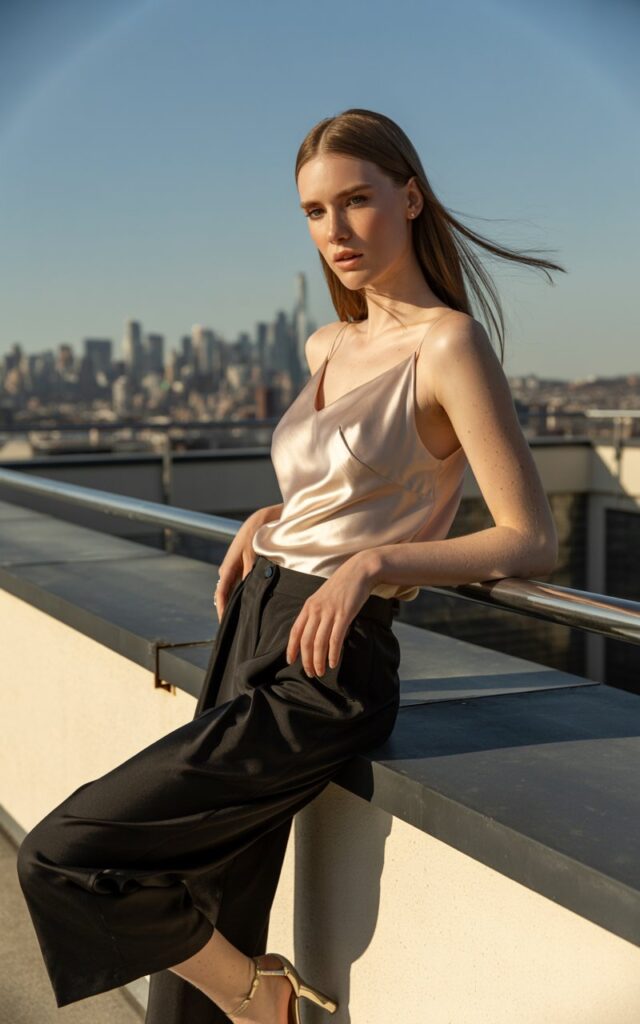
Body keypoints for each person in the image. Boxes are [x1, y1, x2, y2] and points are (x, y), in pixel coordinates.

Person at [16, 107, 562, 1024]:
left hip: (330, 660)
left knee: (65, 849)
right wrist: (273, 520)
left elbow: (529, 536)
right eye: (315, 211)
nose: (336, 231)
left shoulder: (448, 344)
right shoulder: (327, 344)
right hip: (255, 619)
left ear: (412, 197)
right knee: (209, 892)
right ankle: (240, 990)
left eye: (357, 200)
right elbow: (339, 483)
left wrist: (371, 562)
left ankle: (258, 994)